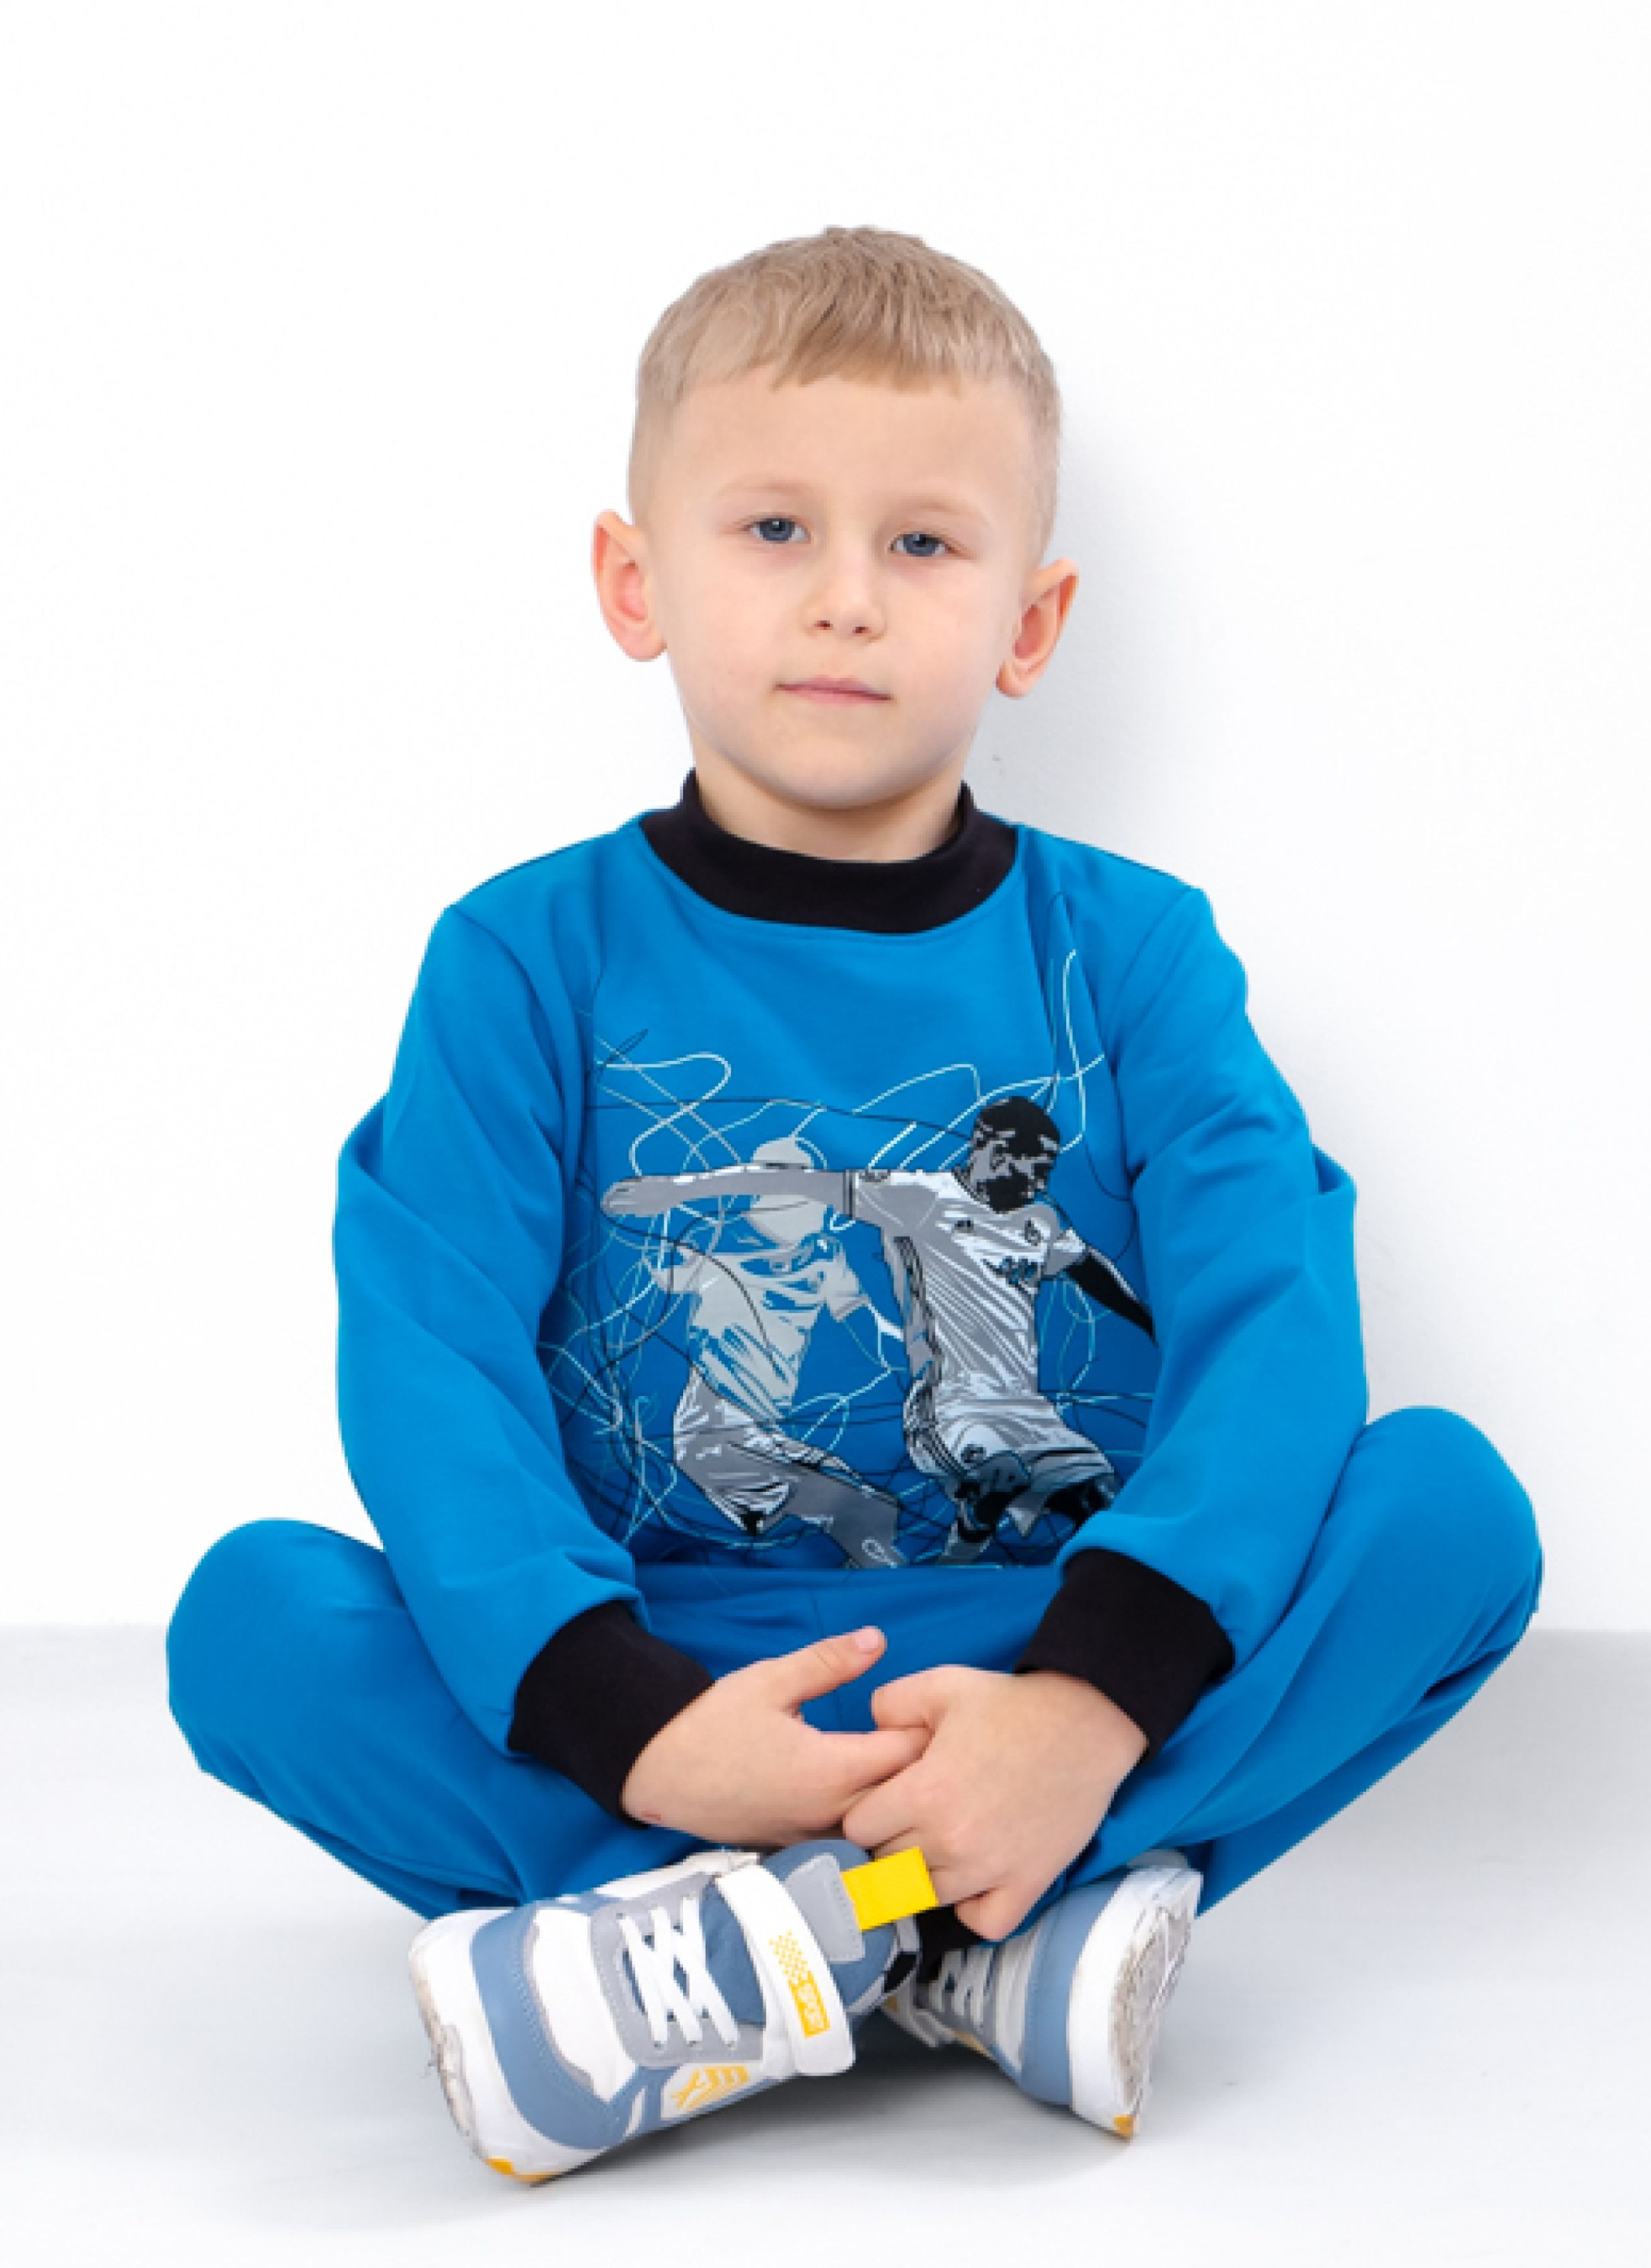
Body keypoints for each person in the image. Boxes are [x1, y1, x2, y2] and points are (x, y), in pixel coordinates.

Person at [166, 225, 1544, 2181]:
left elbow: (1273, 1320)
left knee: (1450, 1512)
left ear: (1027, 622)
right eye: (770, 529)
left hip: (1039, 1649)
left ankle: (825, 1920)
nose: (843, 597)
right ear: (633, 584)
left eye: (920, 542)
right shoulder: (519, 959)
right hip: (671, 1657)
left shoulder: (1136, 953)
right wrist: (630, 1720)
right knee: (252, 1620)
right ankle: (906, 1928)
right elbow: (429, 1351)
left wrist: (1086, 1700)